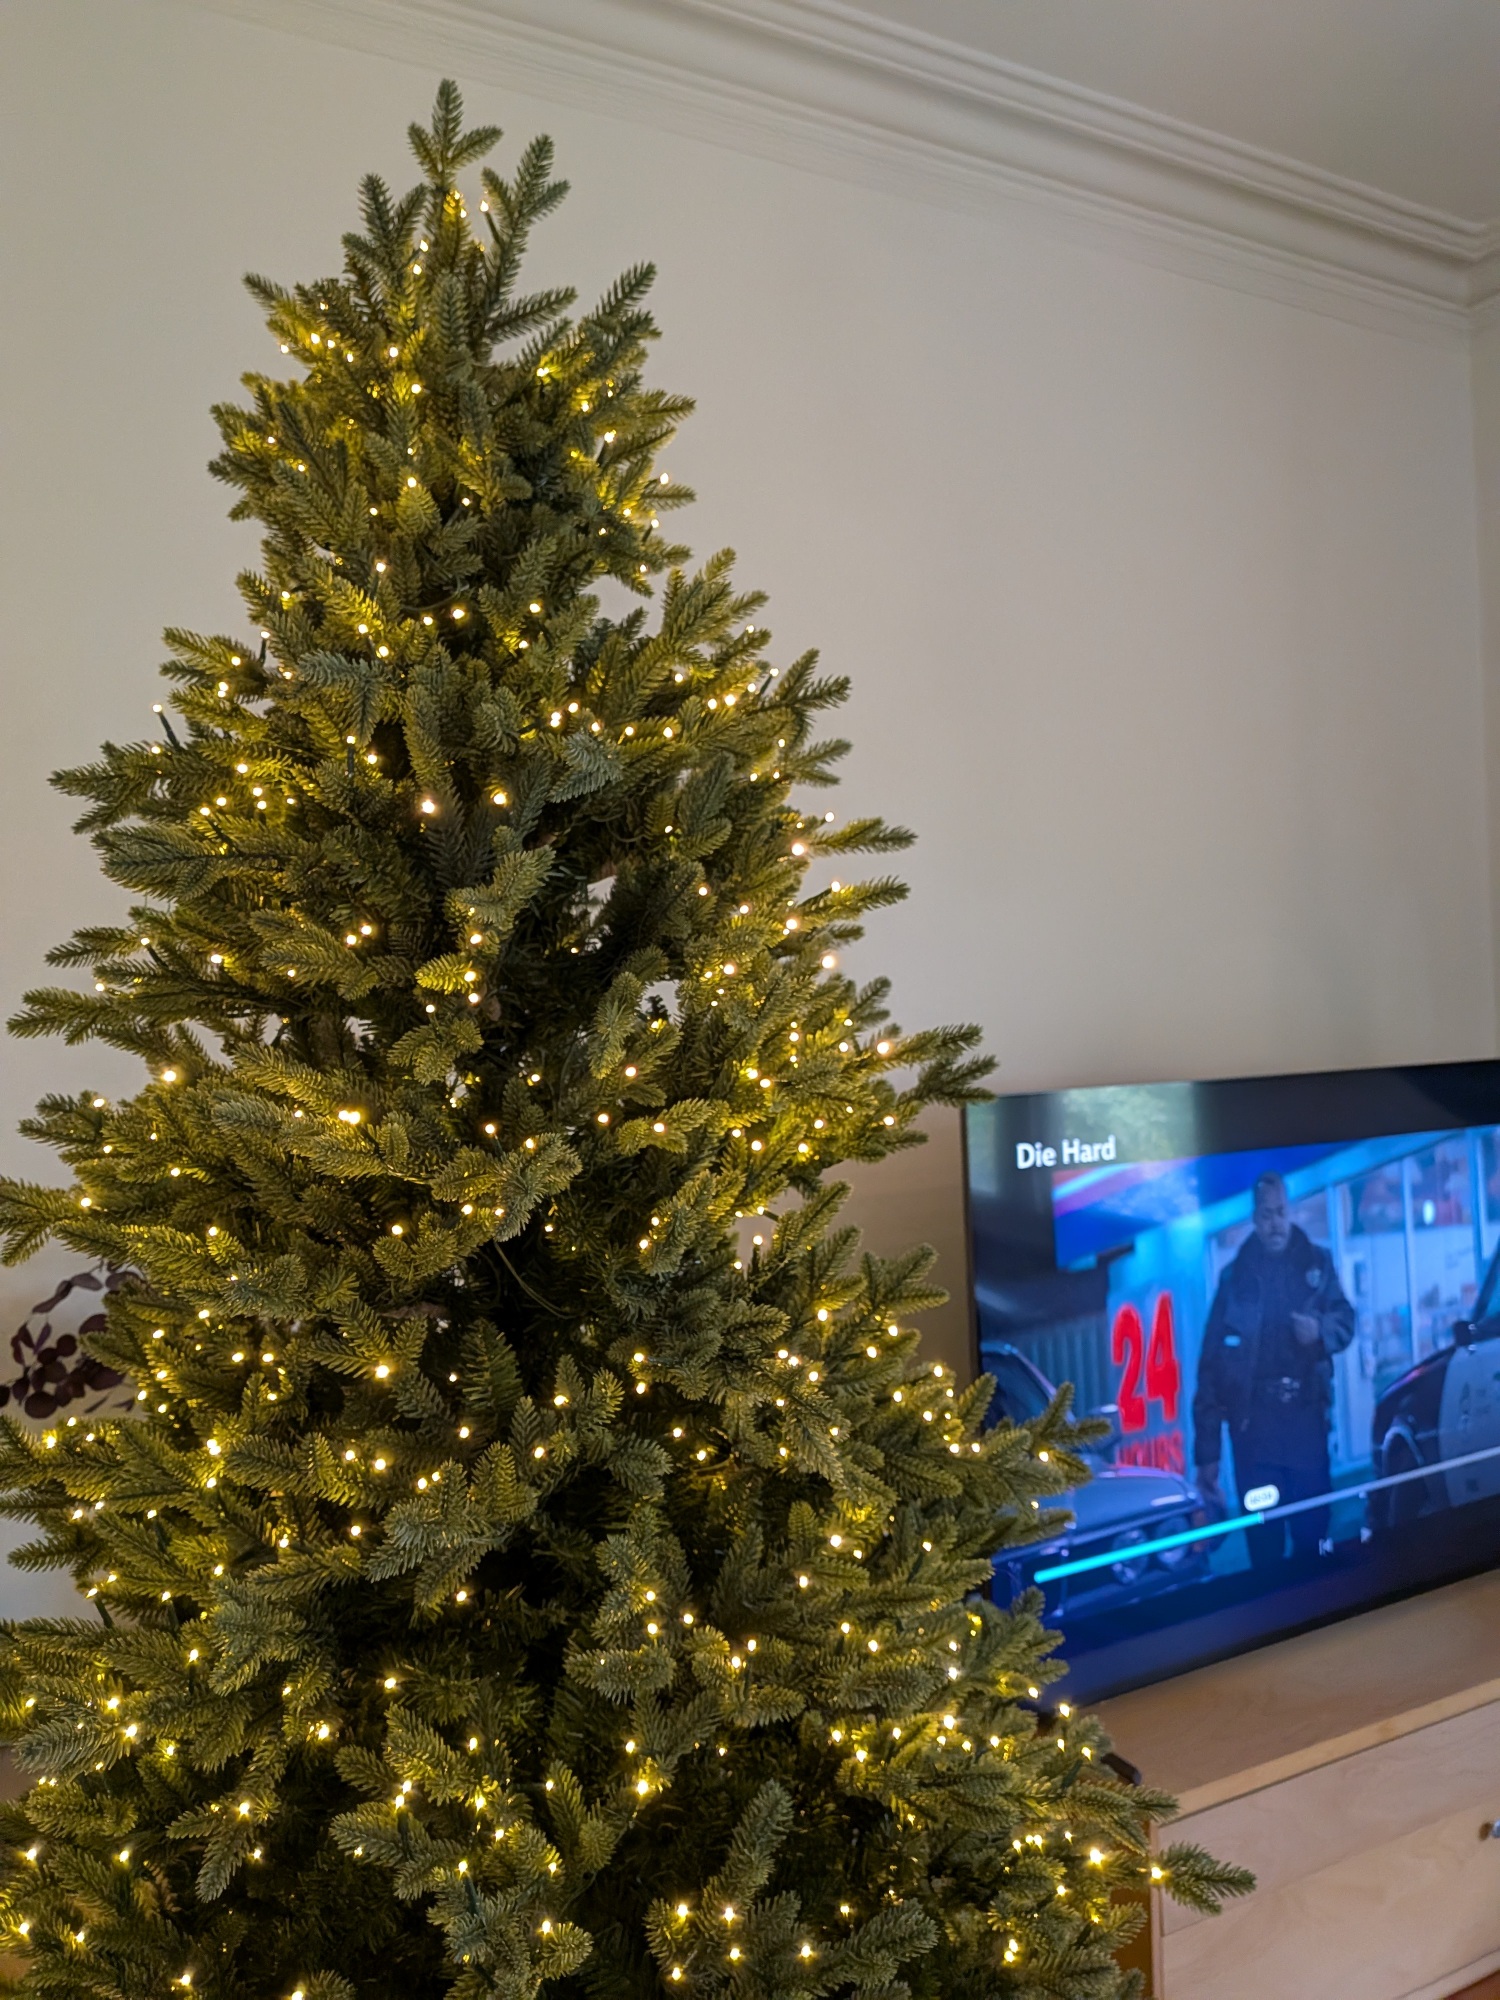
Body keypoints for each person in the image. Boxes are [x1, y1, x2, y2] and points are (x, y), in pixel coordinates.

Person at [1192, 1171, 1354, 1569]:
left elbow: (1345, 1321)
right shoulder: (1234, 1279)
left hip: (1306, 1423)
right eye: (1266, 1215)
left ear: (1290, 1211)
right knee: (1264, 1547)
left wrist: (1319, 1332)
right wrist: (1207, 1456)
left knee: (1313, 1537)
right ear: (1254, 1218)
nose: (1275, 1223)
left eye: (1280, 1212)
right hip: (1255, 1433)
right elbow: (1210, 1370)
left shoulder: (1317, 1263)